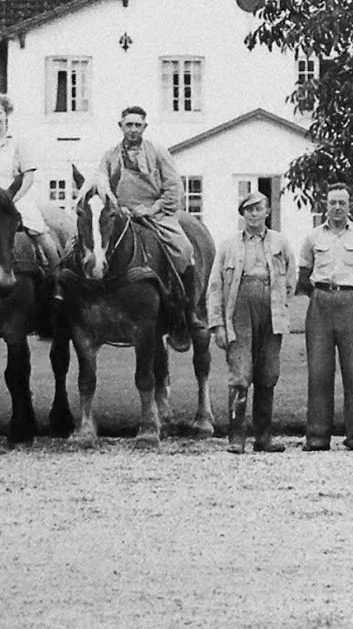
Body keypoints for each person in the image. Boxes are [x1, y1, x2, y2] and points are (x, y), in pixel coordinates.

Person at [97, 106, 200, 342]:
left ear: (144, 127)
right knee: (90, 247)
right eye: (128, 125)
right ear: (121, 126)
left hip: (156, 213)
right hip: (122, 214)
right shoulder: (110, 155)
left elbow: (174, 186)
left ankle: (187, 309)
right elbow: (102, 184)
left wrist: (151, 209)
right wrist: (116, 206)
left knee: (184, 249)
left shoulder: (158, 152)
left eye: (137, 125)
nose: (133, 129)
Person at [296, 183, 353, 452]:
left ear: (350, 206)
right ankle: (317, 436)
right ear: (325, 204)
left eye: (342, 203)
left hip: (352, 301)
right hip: (320, 302)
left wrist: (351, 295)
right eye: (332, 202)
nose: (337, 207)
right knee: (319, 372)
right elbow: (303, 278)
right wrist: (323, 296)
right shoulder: (312, 237)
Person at [207, 190, 292, 454]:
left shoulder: (280, 242)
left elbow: (291, 279)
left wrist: (279, 305)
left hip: (271, 312)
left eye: (258, 209)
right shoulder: (229, 246)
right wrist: (218, 325)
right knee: (240, 374)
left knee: (267, 373)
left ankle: (263, 437)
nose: (254, 214)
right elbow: (215, 286)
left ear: (268, 212)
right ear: (243, 214)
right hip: (239, 313)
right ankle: (236, 437)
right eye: (249, 210)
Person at [0, 91, 63, 268]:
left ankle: (57, 273)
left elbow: (28, 177)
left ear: (6, 114)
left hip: (14, 196)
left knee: (38, 230)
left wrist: (12, 200)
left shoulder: (17, 142)